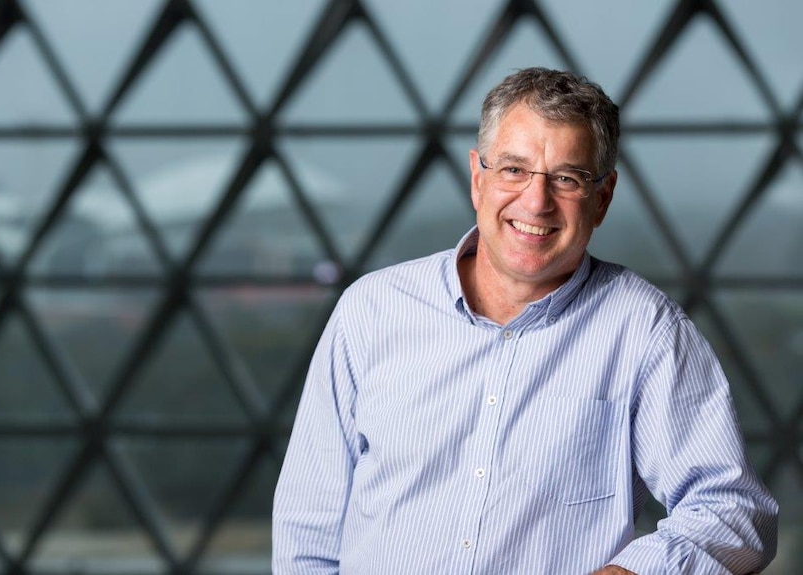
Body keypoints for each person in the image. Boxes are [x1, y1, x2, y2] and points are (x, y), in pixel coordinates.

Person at [271, 67, 778, 574]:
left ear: (602, 198)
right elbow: (309, 529)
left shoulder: (646, 332)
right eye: (513, 169)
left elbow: (732, 510)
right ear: (478, 177)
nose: (536, 202)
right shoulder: (371, 311)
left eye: (566, 178)